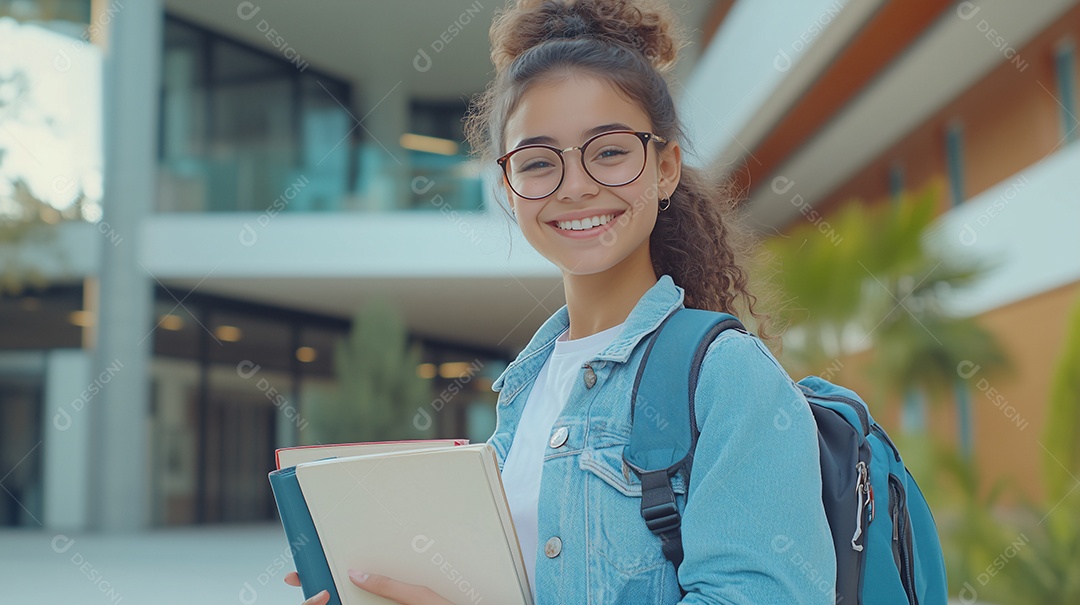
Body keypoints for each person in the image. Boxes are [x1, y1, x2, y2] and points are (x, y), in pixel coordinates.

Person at [286, 0, 835, 603]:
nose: (575, 186)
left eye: (609, 151)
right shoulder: (526, 390)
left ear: (666, 169)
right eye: (539, 162)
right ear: (508, 188)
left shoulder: (727, 376)